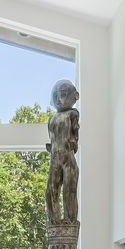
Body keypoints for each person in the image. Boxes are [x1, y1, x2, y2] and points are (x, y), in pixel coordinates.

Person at [45, 79, 79, 225]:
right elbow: (52, 137)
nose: (59, 99)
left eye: (63, 95)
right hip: (55, 157)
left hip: (67, 157)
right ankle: (54, 220)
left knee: (69, 190)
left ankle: (69, 220)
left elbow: (75, 134)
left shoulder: (72, 114)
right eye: (56, 96)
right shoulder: (51, 118)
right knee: (50, 191)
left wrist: (73, 142)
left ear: (74, 96)